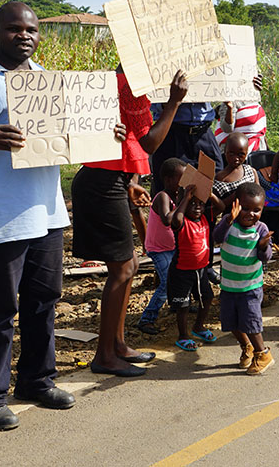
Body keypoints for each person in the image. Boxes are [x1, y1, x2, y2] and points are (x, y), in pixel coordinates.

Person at [0, 2, 80, 430]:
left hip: (46, 210)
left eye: (31, 30)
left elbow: (72, 134)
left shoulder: (45, 81)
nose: (23, 35)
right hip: (0, 213)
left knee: (44, 299)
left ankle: (37, 380)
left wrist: (102, 133)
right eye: (13, 29)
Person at [72, 66, 188, 377]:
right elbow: (149, 143)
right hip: (103, 183)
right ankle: (105, 356)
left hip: (110, 180)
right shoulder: (130, 85)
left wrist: (130, 181)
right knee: (123, 269)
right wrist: (174, 103)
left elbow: (128, 142)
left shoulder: (118, 81)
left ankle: (118, 344)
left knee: (130, 265)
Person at [213, 183, 275, 375]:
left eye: (256, 210)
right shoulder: (228, 224)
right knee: (230, 321)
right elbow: (216, 237)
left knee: (250, 322)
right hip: (229, 286)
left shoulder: (261, 229)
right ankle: (246, 347)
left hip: (250, 287)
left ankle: (263, 353)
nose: (250, 214)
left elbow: (265, 257)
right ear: (236, 205)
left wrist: (264, 246)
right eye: (245, 208)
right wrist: (227, 221)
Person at [167, 185, 223, 351]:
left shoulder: (205, 218)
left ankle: (199, 326)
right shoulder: (182, 221)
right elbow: (175, 219)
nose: (197, 207)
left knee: (207, 297)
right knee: (183, 306)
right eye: (193, 203)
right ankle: (183, 336)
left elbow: (220, 207)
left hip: (201, 270)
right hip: (181, 271)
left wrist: (210, 194)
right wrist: (186, 198)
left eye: (201, 203)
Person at [137, 158, 187, 335]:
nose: (183, 184)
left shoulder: (176, 197)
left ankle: (177, 305)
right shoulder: (162, 196)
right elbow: (167, 219)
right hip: (159, 249)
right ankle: (147, 319)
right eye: (180, 180)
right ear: (168, 179)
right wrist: (183, 202)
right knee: (167, 283)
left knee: (180, 278)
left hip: (172, 247)